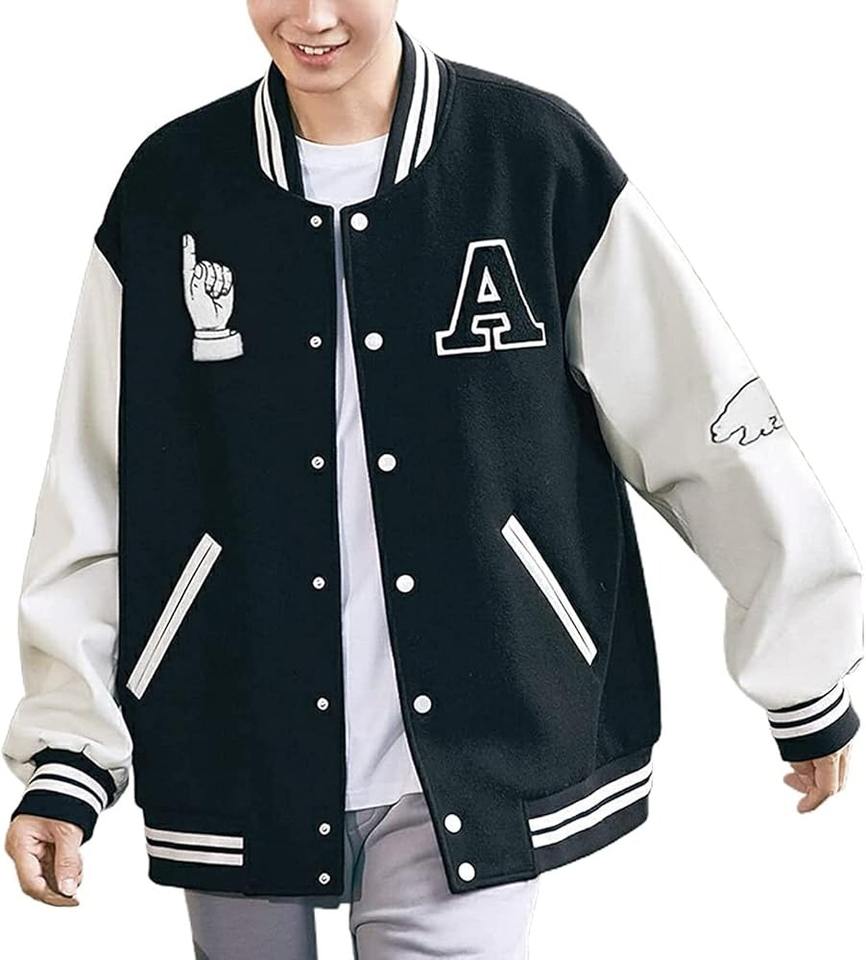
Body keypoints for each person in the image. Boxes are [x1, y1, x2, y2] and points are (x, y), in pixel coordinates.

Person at [3, 1, 862, 957]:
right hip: (233, 737)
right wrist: (67, 751)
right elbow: (93, 484)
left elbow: (695, 411)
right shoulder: (172, 186)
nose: (312, 16)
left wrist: (803, 661)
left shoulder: (530, 158)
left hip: (473, 750)